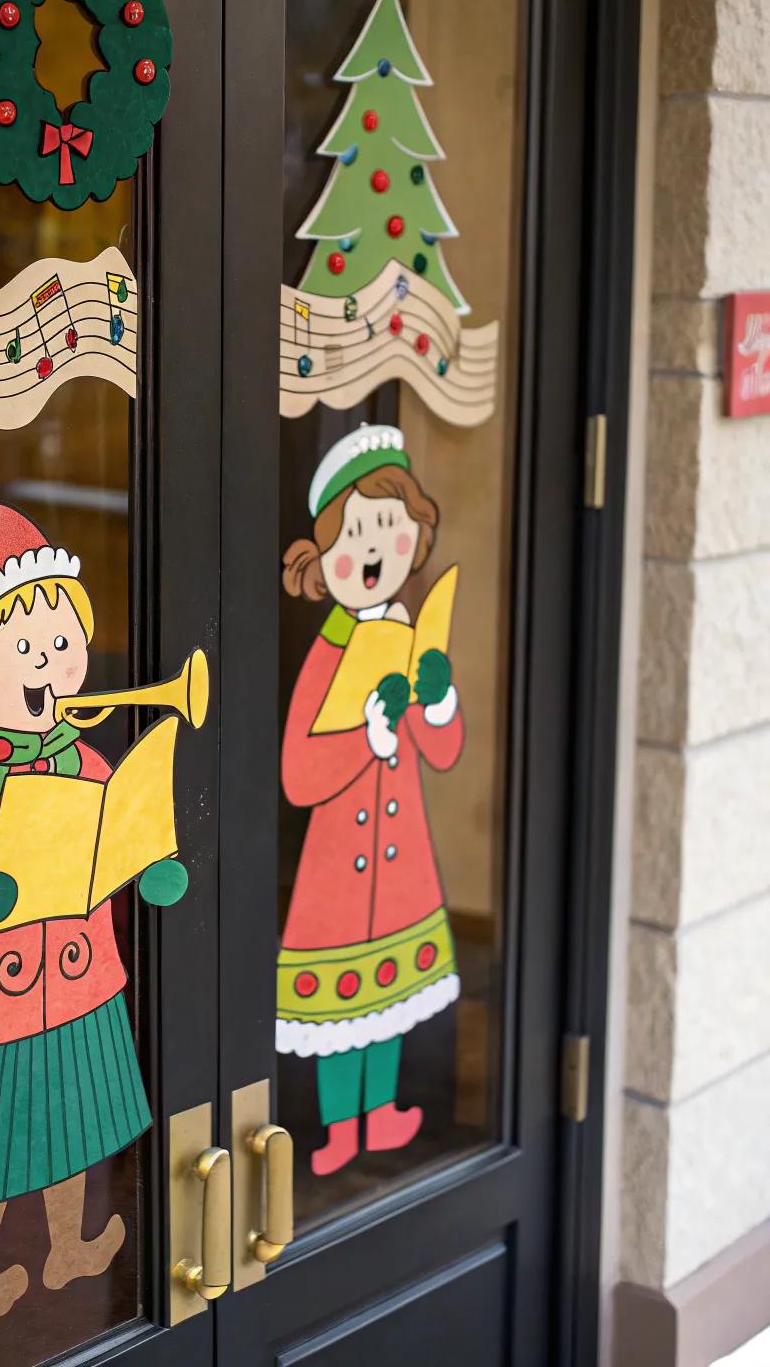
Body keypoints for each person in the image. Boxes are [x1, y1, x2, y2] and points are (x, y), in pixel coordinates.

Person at [0, 471, 183, 1330]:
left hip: (82, 987)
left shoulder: (82, 758)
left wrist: (147, 865)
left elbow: (111, 835)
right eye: (26, 649)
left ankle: (67, 1245)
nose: (50, 666)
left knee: (73, 1124)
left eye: (61, 644)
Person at [277, 425, 463, 1176]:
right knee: (339, 1007)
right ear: (325, 561)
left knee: (388, 1000)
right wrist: (368, 732)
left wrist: (435, 702)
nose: (377, 551)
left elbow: (444, 751)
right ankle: (338, 1125)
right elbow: (298, 774)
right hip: (336, 872)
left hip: (404, 868)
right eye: (358, 535)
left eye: (390, 530)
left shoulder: (410, 637)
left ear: (415, 542)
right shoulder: (328, 652)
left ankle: (379, 1112)